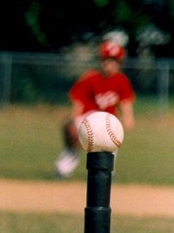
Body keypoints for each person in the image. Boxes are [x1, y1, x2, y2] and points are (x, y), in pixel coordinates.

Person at [54, 40, 136, 179]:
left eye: (113, 61)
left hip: (108, 121)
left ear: (119, 63)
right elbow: (78, 102)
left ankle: (107, 173)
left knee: (110, 144)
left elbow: (126, 104)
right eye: (105, 60)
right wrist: (73, 121)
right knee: (75, 144)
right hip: (87, 119)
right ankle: (62, 170)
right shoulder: (91, 78)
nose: (108, 64)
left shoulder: (122, 81)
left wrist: (128, 118)